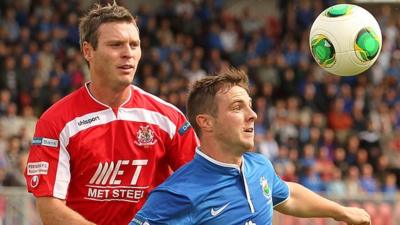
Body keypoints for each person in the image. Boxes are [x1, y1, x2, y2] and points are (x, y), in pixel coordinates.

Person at [24, 2, 198, 225]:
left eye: (134, 45)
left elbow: (200, 188)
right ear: (88, 51)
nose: (128, 54)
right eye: (116, 45)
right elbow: (50, 209)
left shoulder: (170, 119)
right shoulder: (56, 121)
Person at [129, 68, 371, 225]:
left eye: (250, 105)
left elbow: (290, 196)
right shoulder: (177, 193)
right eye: (237, 107)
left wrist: (341, 212)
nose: (253, 115)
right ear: (206, 122)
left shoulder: (260, 167)